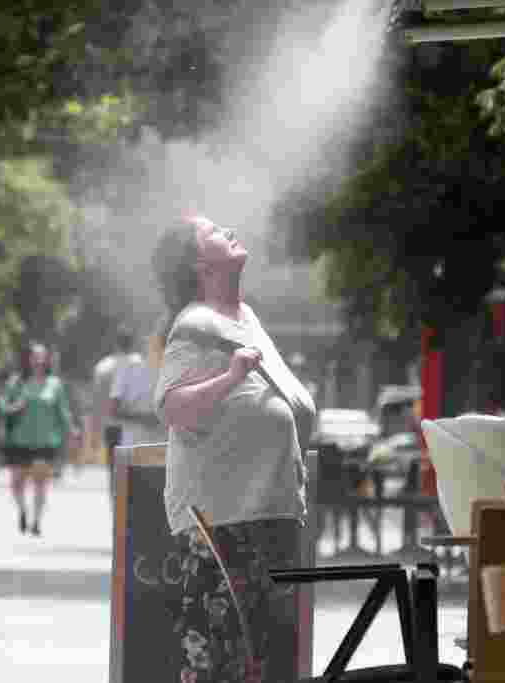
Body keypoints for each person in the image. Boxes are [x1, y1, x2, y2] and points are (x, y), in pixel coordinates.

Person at [152, 213, 317, 683]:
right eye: (212, 232)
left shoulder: (245, 318)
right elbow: (171, 406)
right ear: (198, 262)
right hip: (224, 525)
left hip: (267, 516)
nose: (227, 230)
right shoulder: (195, 325)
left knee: (262, 665)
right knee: (222, 663)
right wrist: (229, 378)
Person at [0, 342, 80, 536]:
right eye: (35, 356)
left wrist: (72, 431)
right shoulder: (16, 382)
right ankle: (22, 510)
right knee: (17, 482)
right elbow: (3, 406)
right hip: (18, 440)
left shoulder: (55, 384)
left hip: (45, 441)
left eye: (42, 356)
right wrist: (15, 407)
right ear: (27, 359)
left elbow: (63, 411)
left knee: (40, 482)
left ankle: (36, 521)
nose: (39, 360)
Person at [91, 326, 138, 486]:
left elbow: (97, 404)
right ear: (132, 343)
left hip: (111, 427)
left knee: (114, 469)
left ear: (116, 343)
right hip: (134, 426)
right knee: (132, 469)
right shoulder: (141, 365)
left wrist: (94, 433)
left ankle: (115, 499)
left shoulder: (103, 367)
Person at [108, 337, 166, 447]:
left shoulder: (169, 371)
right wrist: (143, 418)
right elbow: (113, 411)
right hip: (134, 445)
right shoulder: (126, 369)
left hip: (160, 445)